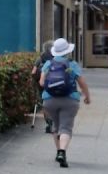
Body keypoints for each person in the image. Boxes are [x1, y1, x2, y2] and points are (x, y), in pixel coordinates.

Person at [39, 37, 91, 167]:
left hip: (49, 100)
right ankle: (62, 152)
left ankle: (58, 151)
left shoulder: (48, 64)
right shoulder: (72, 64)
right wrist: (87, 96)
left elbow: (41, 82)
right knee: (66, 127)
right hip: (70, 99)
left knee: (56, 126)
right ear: (68, 51)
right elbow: (82, 82)